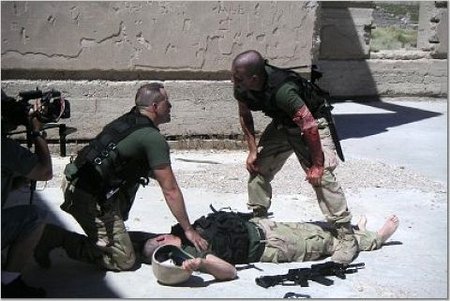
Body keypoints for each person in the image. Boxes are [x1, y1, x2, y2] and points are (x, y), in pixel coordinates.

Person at [34, 83, 208, 272]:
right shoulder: (152, 138)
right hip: (87, 195)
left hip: (77, 181)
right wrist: (188, 230)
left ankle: (115, 237)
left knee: (125, 209)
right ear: (155, 107)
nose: (171, 106)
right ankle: (54, 237)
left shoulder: (130, 121)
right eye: (168, 102)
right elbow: (170, 190)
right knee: (124, 260)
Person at [230, 50, 357, 264]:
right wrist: (252, 150)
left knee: (322, 176)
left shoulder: (283, 91)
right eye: (233, 75)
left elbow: (308, 124)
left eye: (238, 77)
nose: (233, 81)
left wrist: (316, 165)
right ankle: (259, 219)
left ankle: (347, 237)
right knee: (258, 166)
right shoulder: (243, 86)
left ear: (254, 78)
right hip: (283, 123)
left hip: (313, 123)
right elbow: (244, 114)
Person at [142, 210, 400, 282]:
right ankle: (375, 239)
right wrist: (200, 263)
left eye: (163, 250)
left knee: (318, 228)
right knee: (327, 243)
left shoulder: (183, 230)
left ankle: (357, 231)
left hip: (265, 228)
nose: (170, 256)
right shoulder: (189, 255)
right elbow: (230, 272)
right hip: (274, 245)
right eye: (164, 256)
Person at [1, 90, 53, 297]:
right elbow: (46, 172)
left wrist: (18, 179)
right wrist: (37, 132)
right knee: (35, 216)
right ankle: (9, 283)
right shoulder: (4, 148)